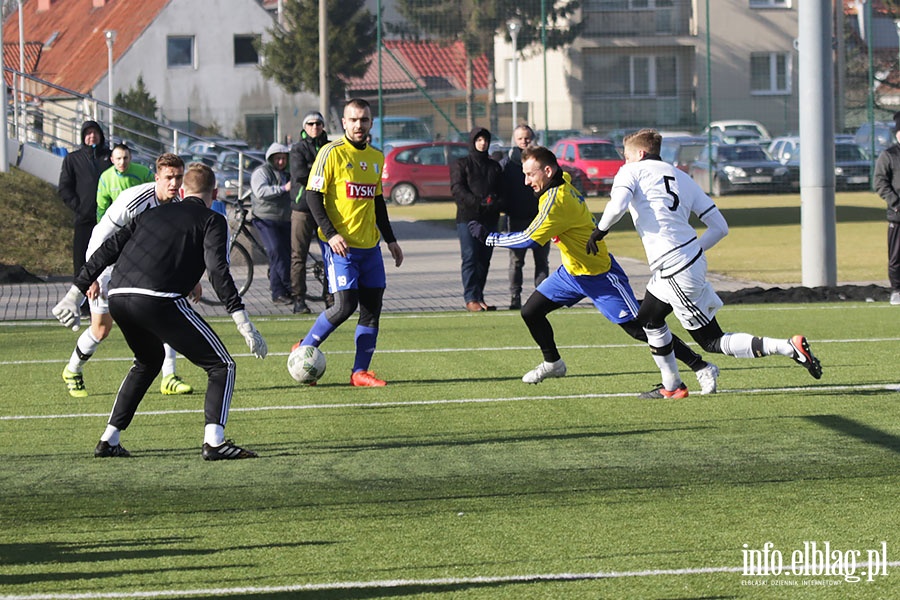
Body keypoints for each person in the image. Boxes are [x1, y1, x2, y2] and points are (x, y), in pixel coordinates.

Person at [51, 162, 267, 460]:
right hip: (158, 299)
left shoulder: (150, 214)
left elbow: (108, 248)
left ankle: (109, 439)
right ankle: (214, 442)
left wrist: (75, 293)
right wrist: (243, 322)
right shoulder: (212, 220)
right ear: (214, 192)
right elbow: (218, 272)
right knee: (222, 366)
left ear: (182, 189)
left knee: (147, 361)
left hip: (119, 296)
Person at [586, 129, 822, 398]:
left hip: (676, 267)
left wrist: (599, 231)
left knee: (711, 340)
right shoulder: (681, 176)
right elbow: (719, 227)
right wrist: (691, 252)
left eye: (626, 156)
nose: (623, 162)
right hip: (678, 264)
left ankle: (789, 347)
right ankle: (672, 385)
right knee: (649, 320)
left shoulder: (632, 171)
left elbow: (617, 206)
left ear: (639, 154)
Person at [468, 145, 719, 392]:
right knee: (531, 311)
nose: (526, 181)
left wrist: (489, 237)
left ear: (547, 170)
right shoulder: (560, 180)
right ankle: (553, 363)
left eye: (530, 174)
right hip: (571, 273)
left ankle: (701, 366)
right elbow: (562, 177)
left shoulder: (557, 201)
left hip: (601, 275)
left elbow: (529, 239)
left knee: (642, 328)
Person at [60, 154, 195, 398]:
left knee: (165, 312)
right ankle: (72, 369)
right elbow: (101, 235)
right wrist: (90, 275)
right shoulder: (135, 201)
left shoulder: (177, 205)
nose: (174, 183)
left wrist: (192, 278)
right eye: (168, 178)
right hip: (108, 267)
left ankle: (169, 376)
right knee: (101, 329)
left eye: (178, 177)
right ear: (157, 178)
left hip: (141, 270)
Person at [291, 98, 403, 387]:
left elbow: (377, 202)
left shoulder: (376, 157)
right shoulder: (331, 153)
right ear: (343, 122)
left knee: (372, 308)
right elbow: (313, 196)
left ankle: (359, 372)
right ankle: (305, 347)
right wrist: (331, 233)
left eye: (364, 120)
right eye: (353, 120)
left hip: (371, 247)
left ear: (371, 123)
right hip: (340, 246)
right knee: (344, 306)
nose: (358, 125)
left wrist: (390, 240)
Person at [451, 126, 503, 311]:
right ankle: (470, 298)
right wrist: (478, 203)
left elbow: (501, 191)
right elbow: (457, 189)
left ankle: (480, 297)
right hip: (468, 219)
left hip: (490, 220)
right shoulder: (461, 164)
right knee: (470, 257)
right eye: (479, 140)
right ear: (473, 141)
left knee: (484, 259)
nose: (483, 143)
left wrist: (494, 203)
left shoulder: (494, 166)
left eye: (485, 140)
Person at [499, 125, 550, 310]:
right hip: (517, 219)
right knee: (516, 261)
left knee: (542, 260)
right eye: (520, 138)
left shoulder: (543, 160)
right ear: (515, 140)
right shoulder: (508, 164)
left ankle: (542, 298)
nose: (524, 141)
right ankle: (515, 297)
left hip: (540, 219)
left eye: (527, 138)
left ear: (532, 138)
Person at [58, 121, 112, 280]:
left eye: (95, 133)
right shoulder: (73, 159)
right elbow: (64, 188)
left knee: (107, 258)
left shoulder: (110, 157)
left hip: (108, 218)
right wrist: (79, 207)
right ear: (83, 136)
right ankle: (82, 300)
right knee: (81, 260)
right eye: (88, 133)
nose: (92, 136)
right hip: (84, 218)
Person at [289, 111, 330, 314]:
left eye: (318, 123)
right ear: (305, 127)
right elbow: (300, 174)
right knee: (298, 256)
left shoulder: (330, 147)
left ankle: (330, 297)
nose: (315, 127)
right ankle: (298, 299)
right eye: (311, 123)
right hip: (303, 208)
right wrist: (321, 171)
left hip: (325, 208)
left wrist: (314, 169)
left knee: (330, 254)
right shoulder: (297, 149)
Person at [250, 143, 293, 306]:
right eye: (278, 158)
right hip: (265, 218)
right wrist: (283, 188)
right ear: (271, 159)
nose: (281, 162)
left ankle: (279, 293)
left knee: (282, 254)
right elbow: (261, 192)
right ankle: (288, 286)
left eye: (283, 158)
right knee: (275, 250)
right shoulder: (261, 172)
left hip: (284, 218)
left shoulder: (288, 173)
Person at [873, 111, 900, 306]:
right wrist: (897, 204)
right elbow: (880, 183)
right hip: (897, 217)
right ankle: (897, 290)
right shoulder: (889, 155)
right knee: (896, 258)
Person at [96, 143, 155, 221]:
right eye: (118, 158)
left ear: (130, 158)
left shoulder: (143, 172)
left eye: (125, 158)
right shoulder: (106, 177)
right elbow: (102, 206)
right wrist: (100, 225)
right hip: (118, 219)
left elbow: (157, 190)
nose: (122, 162)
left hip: (141, 218)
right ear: (112, 160)